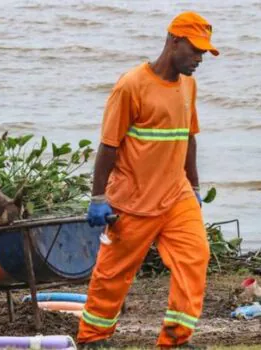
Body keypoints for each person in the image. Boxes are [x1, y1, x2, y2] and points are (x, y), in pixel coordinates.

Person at [77, 12, 219, 348]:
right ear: (173, 41)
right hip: (133, 201)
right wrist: (98, 198)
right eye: (195, 50)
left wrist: (194, 186)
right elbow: (108, 146)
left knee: (195, 258)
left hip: (176, 197)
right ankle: (92, 338)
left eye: (203, 53)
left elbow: (189, 138)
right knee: (113, 276)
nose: (199, 59)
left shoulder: (189, 85)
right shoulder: (131, 86)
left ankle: (175, 340)